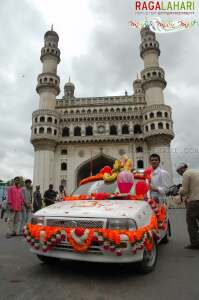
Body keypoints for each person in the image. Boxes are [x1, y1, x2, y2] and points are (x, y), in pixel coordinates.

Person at [176, 163, 199, 249]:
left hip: (194, 201)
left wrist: (179, 190)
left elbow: (185, 191)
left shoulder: (186, 174)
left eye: (178, 172)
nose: (179, 174)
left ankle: (195, 243)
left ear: (182, 169)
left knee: (191, 223)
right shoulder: (196, 171)